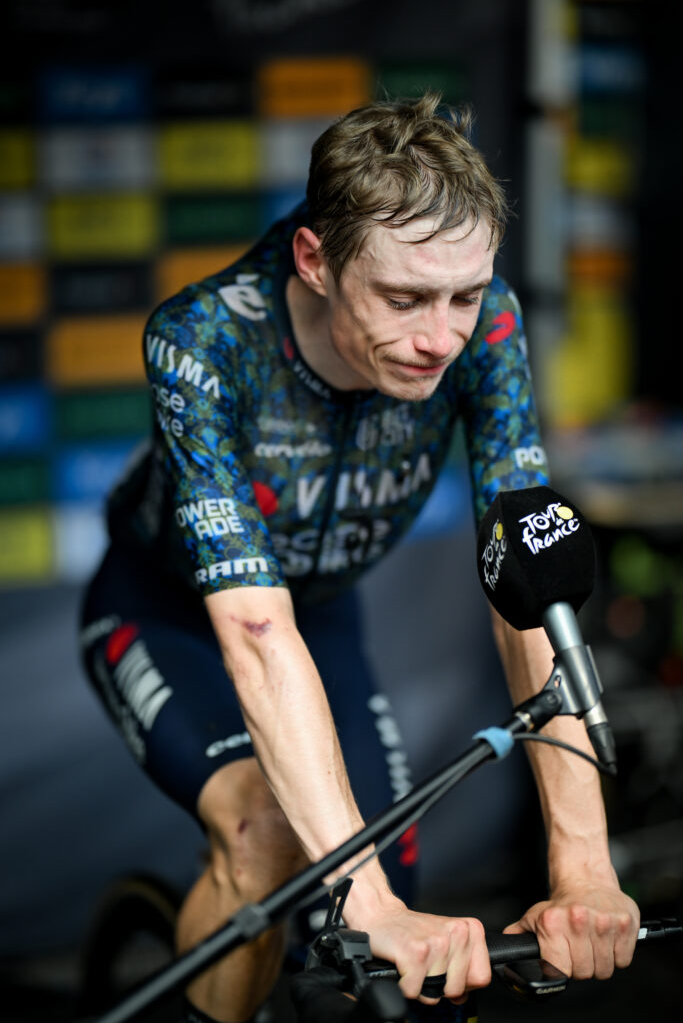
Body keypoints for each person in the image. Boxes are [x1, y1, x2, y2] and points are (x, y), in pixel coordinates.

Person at [80, 92, 639, 1023]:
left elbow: (528, 589)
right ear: (316, 259)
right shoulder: (204, 339)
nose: (441, 337)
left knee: (396, 865)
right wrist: (362, 897)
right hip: (169, 611)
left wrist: (583, 865)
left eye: (465, 294)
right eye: (404, 297)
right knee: (268, 840)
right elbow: (255, 630)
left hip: (322, 612)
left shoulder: (485, 327)